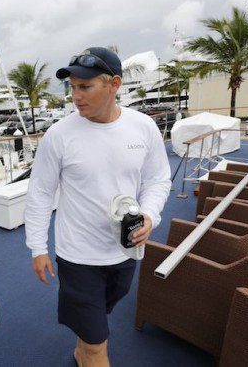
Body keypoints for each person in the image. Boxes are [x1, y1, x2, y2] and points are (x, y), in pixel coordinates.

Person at [24, 47, 171, 366]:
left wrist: (149, 215)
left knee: (100, 316)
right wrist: (37, 247)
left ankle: (84, 346)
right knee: (97, 345)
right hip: (78, 257)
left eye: (85, 87)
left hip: (126, 251)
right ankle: (88, 350)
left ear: (114, 84)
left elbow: (158, 179)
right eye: (72, 87)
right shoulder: (59, 135)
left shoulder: (143, 128)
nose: (75, 96)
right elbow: (40, 193)